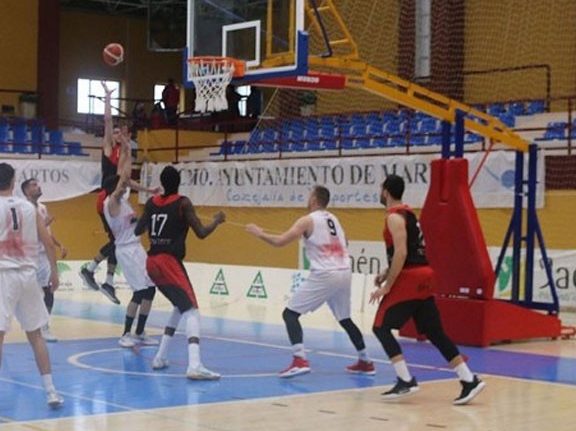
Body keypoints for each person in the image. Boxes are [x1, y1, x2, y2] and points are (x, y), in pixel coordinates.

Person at [369, 174, 485, 404]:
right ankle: (469, 379)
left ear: (386, 192)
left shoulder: (393, 217)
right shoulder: (410, 213)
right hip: (424, 274)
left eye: (381, 189)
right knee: (434, 332)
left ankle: (405, 380)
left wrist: (387, 286)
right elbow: (410, 250)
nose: (379, 193)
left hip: (410, 278)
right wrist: (386, 272)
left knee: (380, 327)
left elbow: (402, 253)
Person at [0, 163, 64, 414]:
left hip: (3, 277)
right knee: (36, 334)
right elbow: (48, 242)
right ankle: (51, 391)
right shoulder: (30, 208)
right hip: (28, 275)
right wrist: (54, 272)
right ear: (14, 181)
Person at [246, 185, 375, 378]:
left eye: (309, 197)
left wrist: (259, 233)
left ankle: (300, 360)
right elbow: (345, 243)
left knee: (290, 314)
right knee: (345, 319)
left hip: (326, 273)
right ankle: (365, 361)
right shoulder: (334, 218)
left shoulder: (307, 220)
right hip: (345, 270)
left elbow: (280, 242)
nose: (307, 200)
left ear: (314, 199)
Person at [134, 166, 225, 380]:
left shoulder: (151, 203)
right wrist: (217, 221)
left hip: (152, 261)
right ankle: (195, 365)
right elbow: (201, 233)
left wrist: (148, 218)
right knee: (192, 310)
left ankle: (160, 357)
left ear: (163, 183)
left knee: (179, 305)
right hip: (169, 261)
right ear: (179, 182)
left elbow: (138, 230)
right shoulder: (183, 203)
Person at [81, 82, 159, 305]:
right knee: (119, 241)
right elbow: (107, 121)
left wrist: (147, 189)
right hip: (105, 199)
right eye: (115, 132)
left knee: (119, 241)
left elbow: (126, 181)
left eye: (120, 132)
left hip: (118, 197)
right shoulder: (108, 148)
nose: (117, 133)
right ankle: (95, 272)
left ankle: (104, 279)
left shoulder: (124, 154)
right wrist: (107, 98)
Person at [103, 129, 159, 348]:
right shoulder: (112, 203)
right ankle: (125, 333)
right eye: (120, 186)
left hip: (137, 248)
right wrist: (126, 147)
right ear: (113, 189)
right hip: (125, 250)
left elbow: (124, 173)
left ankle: (140, 332)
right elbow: (123, 177)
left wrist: (127, 148)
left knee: (151, 289)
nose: (124, 187)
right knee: (140, 291)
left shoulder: (122, 198)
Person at [21, 178, 68, 343]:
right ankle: (31, 324)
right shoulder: (22, 209)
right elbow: (23, 234)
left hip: (43, 256)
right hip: (28, 256)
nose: (38, 186)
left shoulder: (42, 208)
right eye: (34, 185)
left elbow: (48, 233)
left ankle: (45, 325)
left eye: (38, 184)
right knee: (29, 293)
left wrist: (60, 244)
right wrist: (41, 225)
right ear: (26, 191)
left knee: (49, 290)